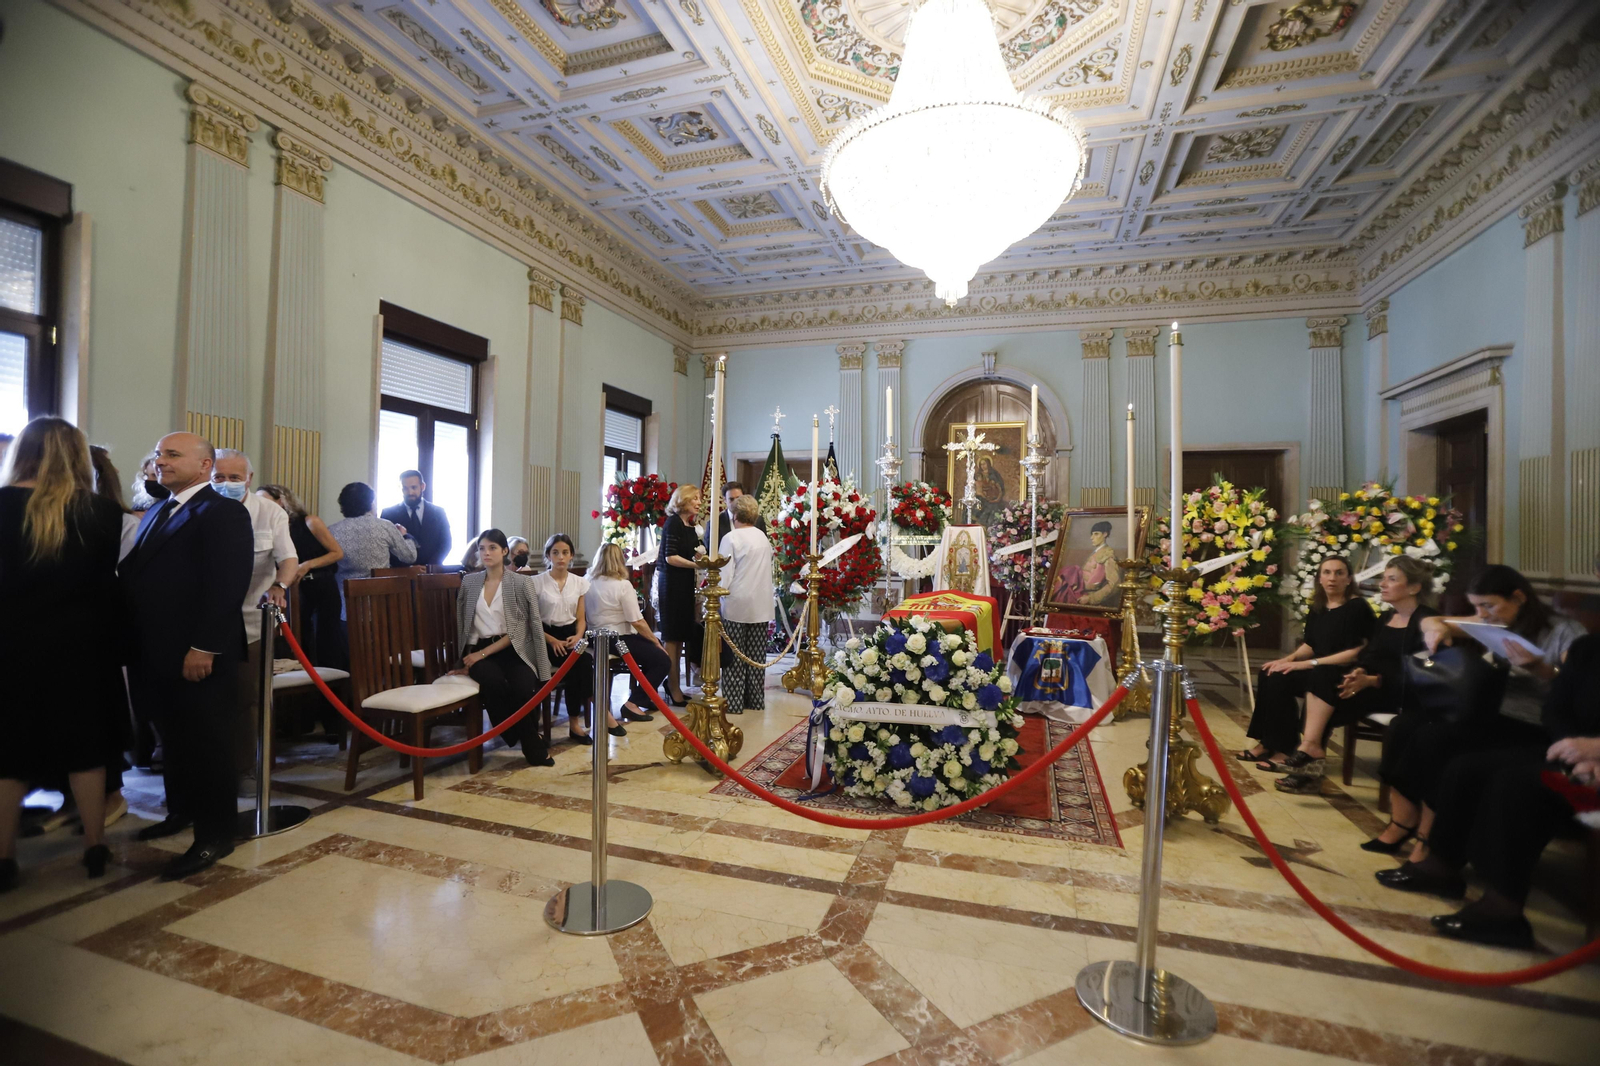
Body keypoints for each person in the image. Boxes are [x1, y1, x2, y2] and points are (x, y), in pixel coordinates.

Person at [1374, 630, 1600, 947]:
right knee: (1466, 768)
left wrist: (1596, 749)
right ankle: (1443, 865)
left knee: (1517, 784)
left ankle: (1504, 907)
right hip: (1573, 752)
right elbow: (1557, 707)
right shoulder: (1589, 647)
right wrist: (1572, 746)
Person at [1376, 564, 1583, 858]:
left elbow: (1578, 687)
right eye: (1477, 607)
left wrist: (1540, 669)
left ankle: (1428, 843)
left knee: (1434, 739)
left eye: (1488, 605)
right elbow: (1433, 620)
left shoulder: (1563, 630)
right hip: (1490, 709)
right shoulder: (1496, 620)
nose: (1483, 615)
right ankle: (1403, 821)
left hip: (1532, 721)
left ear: (1519, 598)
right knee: (1405, 726)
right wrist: (1436, 629)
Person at [120, 431, 253, 880]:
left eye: (172, 454)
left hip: (197, 651)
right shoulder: (161, 507)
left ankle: (215, 834)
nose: (161, 461)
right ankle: (181, 812)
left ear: (202, 465)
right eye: (158, 454)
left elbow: (225, 584)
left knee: (207, 742)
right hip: (155, 648)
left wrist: (205, 646)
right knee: (172, 739)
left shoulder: (222, 511)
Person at [0, 418, 125, 891]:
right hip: (82, 645)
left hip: (11, 643)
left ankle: (4, 855)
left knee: (8, 753)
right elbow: (108, 586)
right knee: (86, 749)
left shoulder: (2, 505)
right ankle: (95, 844)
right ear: (76, 454)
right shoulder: (101, 512)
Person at [1312, 556, 1440, 853]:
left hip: (1405, 693)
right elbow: (1372, 655)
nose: (1382, 584)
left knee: (1333, 691)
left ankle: (1310, 750)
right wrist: (1360, 672)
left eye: (1392, 579)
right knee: (1326, 683)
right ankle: (1309, 749)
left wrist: (1374, 680)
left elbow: (1421, 669)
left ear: (1414, 587)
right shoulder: (1385, 618)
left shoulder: (1427, 620)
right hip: (1376, 684)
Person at [1240, 556, 1374, 793]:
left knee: (1316, 676)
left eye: (1339, 573)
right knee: (1273, 674)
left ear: (1349, 578)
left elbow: (1356, 652)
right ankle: (1271, 743)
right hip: (1318, 666)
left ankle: (1288, 752)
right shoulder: (1319, 606)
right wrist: (1288, 660)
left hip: (1341, 672)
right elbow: (1311, 643)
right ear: (1319, 578)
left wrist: (1307, 664)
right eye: (1327, 572)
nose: (1332, 578)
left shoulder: (1357, 608)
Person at [211, 450, 297, 778]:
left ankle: (247, 770)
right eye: (219, 477)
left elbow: (288, 558)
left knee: (248, 699)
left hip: (251, 621)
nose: (227, 483)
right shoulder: (199, 506)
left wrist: (280, 585)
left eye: (235, 478)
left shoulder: (269, 512)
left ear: (249, 478)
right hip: (204, 622)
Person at [454, 529, 555, 767]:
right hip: (479, 651)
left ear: (504, 551)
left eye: (492, 548)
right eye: (481, 548)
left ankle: (514, 733)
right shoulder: (469, 582)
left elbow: (521, 630)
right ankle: (530, 743)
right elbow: (461, 625)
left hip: (513, 649)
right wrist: (463, 659)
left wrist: (482, 653)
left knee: (522, 687)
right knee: (493, 682)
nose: (486, 553)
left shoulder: (520, 583)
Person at [531, 534, 615, 743]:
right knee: (579, 665)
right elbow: (530, 622)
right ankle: (596, 711)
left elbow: (581, 619)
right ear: (548, 556)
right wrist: (551, 640)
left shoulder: (579, 583)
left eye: (565, 553)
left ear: (571, 556)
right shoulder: (536, 582)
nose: (560, 557)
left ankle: (574, 723)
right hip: (544, 636)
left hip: (570, 636)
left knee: (582, 662)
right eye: (555, 552)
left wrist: (578, 636)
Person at [256, 484, 345, 672]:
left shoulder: (309, 521)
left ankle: (330, 688)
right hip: (294, 589)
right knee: (300, 639)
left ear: (281, 501)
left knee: (327, 640)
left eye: (266, 501)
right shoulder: (268, 529)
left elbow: (337, 553)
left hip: (321, 585)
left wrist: (307, 565)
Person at [587, 542, 668, 728]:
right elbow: (636, 621)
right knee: (662, 659)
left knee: (651, 652)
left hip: (593, 637)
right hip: (617, 638)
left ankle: (646, 698)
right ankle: (633, 702)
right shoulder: (622, 585)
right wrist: (655, 641)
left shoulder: (587, 581)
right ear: (620, 561)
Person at [719, 494, 775, 714]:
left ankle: (734, 703)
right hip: (761, 603)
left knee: (734, 657)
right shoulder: (762, 536)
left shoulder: (731, 538)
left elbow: (725, 574)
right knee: (755, 657)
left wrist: (717, 597)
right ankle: (755, 700)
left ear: (734, 515)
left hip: (737, 602)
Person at [329, 482, 417, 618]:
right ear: (370, 503)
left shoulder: (332, 531)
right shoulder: (384, 526)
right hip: (380, 604)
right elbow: (409, 556)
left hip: (346, 606)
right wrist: (405, 536)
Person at [656, 483, 704, 705]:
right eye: (695, 498)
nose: (699, 502)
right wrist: (697, 566)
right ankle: (672, 686)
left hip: (684, 585)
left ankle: (675, 684)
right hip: (672, 585)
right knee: (672, 639)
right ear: (683, 499)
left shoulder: (689, 525)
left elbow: (694, 553)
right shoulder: (673, 522)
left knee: (681, 637)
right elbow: (670, 557)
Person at [381, 469, 451, 566]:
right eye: (405, 488)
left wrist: (430, 567)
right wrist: (409, 569)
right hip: (401, 574)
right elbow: (386, 547)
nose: (410, 492)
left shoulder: (438, 512)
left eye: (414, 487)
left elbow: (446, 543)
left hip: (432, 573)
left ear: (422, 486)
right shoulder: (388, 514)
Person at [1077, 521, 1121, 607]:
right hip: (1082, 595)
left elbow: (1114, 584)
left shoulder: (1108, 555)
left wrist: (1091, 598)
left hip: (1093, 601)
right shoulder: (1096, 553)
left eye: (1096, 534)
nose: (1091, 538)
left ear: (1105, 534)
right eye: (1092, 534)